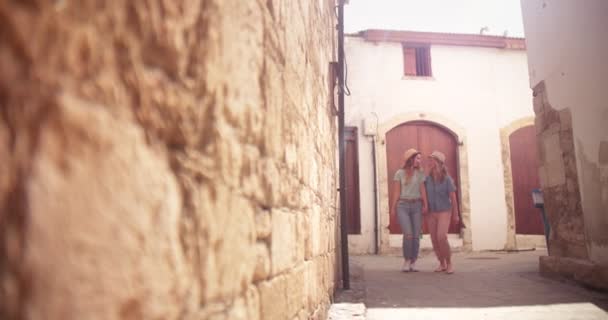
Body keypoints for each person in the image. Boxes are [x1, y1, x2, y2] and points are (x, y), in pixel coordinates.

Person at [391, 148, 428, 272]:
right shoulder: (399, 173)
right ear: (411, 159)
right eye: (418, 158)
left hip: (417, 205)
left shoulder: (421, 173)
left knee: (416, 235)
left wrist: (425, 205)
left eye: (420, 158)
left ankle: (413, 262)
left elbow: (423, 190)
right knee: (408, 234)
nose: (419, 161)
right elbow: (396, 192)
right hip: (402, 206)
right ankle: (407, 260)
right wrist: (393, 208)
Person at [424, 151, 459, 274]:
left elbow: (453, 198)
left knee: (441, 237)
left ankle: (449, 263)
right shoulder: (427, 179)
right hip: (431, 213)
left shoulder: (447, 179)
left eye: (432, 159)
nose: (429, 162)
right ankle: (441, 263)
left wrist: (456, 214)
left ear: (438, 162)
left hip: (445, 211)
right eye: (429, 159)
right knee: (434, 238)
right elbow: (423, 193)